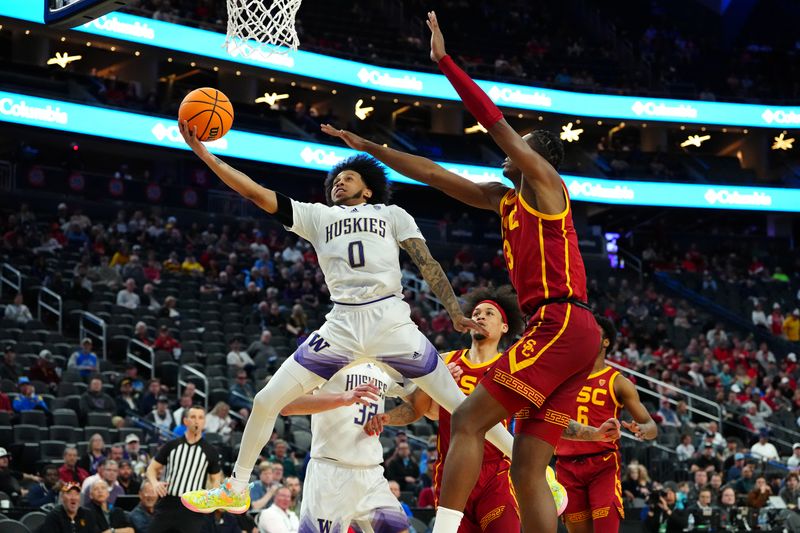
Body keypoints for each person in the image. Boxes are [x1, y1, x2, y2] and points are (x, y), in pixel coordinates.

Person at [322, 13, 609, 533]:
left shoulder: (545, 184)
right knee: (528, 468)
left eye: (520, 143)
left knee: (470, 420)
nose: (508, 147)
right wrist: (372, 152)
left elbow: (491, 117)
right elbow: (434, 175)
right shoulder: (504, 200)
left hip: (560, 323)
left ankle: (444, 529)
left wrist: (444, 62)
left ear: (535, 155)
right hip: (573, 333)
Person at [176, 110, 512, 515]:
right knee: (266, 399)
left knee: (462, 406)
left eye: (349, 177)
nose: (339, 181)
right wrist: (203, 152)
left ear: (368, 190)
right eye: (335, 179)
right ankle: (237, 486)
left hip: (390, 321)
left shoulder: (392, 214)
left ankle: (540, 472)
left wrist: (455, 311)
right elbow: (254, 192)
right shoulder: (318, 217)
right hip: (341, 325)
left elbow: (427, 264)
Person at [368, 287, 618, 531]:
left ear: (504, 327)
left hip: (497, 475)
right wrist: (385, 417)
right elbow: (419, 410)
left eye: (489, 313)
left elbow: (543, 417)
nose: (480, 317)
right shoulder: (444, 361)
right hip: (451, 472)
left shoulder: (514, 367)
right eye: (476, 312)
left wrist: (593, 433)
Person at [277, 361, 414, 532]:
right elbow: (287, 405)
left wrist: (387, 417)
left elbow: (417, 401)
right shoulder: (328, 356)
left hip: (371, 474)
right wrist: (342, 398)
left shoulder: (383, 366)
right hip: (329, 473)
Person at [555, 316, 658, 532]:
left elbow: (651, 426)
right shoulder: (561, 377)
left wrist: (642, 430)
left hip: (602, 464)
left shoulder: (618, 381)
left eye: (595, 331)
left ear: (606, 342)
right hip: (566, 465)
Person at [146, 405, 221, 532]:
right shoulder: (171, 445)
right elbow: (151, 468)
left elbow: (216, 479)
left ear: (204, 422)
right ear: (185, 421)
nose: (197, 421)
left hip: (193, 507)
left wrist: (211, 499)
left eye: (200, 417)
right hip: (168, 503)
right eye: (193, 417)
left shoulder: (210, 451)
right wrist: (154, 483)